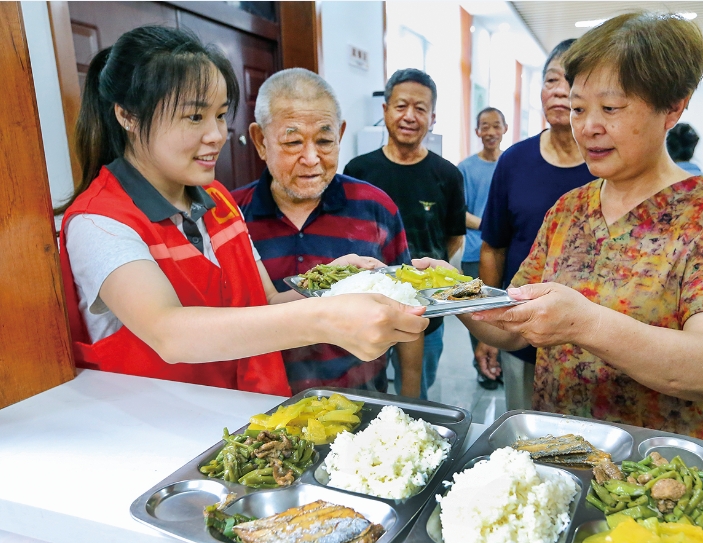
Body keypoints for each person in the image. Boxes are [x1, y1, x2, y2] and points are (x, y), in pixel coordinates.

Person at [454, 12, 703, 454]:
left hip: (655, 470)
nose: (588, 127)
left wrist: (586, 323)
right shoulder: (570, 209)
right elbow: (514, 327)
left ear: (673, 107)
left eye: (611, 108)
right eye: (579, 108)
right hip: (560, 452)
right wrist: (451, 295)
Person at [58, 26, 427, 395]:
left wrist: (333, 281)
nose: (217, 135)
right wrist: (324, 319)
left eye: (219, 115)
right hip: (159, 432)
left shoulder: (215, 199)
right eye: (194, 117)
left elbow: (264, 302)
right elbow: (169, 332)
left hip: (240, 418)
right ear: (128, 116)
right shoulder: (99, 221)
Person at [232, 68, 422, 397]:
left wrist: (410, 398)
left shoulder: (375, 208)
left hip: (361, 398)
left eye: (324, 140)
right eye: (292, 142)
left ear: (340, 134)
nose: (311, 159)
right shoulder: (231, 217)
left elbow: (409, 306)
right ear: (261, 140)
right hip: (258, 404)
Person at [475, 40, 597, 411]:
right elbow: (493, 246)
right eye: (550, 79)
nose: (559, 90)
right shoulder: (514, 161)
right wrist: (488, 328)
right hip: (521, 331)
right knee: (525, 437)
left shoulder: (606, 165)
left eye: (571, 81)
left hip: (594, 341)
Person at [344, 68, 466, 400]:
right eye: (400, 106)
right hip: (367, 304)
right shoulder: (358, 171)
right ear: (384, 110)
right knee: (366, 394)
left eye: (420, 108)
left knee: (416, 393)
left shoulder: (448, 175)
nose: (409, 116)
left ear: (433, 117)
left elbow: (454, 237)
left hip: (425, 309)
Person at [457, 107, 508, 390]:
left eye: (495, 126)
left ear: (505, 128)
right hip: (474, 253)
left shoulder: (511, 164)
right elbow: (459, 213)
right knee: (477, 314)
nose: (490, 132)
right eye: (484, 127)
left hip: (506, 252)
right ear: (477, 131)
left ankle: (501, 363)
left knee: (504, 311)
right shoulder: (465, 168)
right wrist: (492, 227)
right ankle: (482, 366)